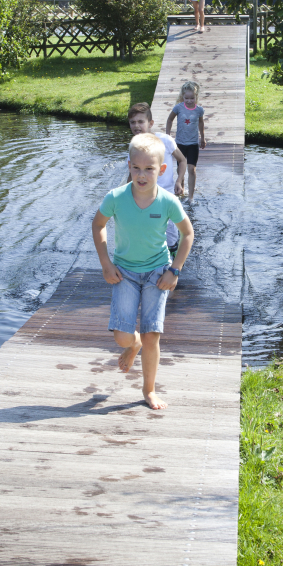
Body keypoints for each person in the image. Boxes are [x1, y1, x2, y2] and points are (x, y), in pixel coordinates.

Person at [91, 133, 194, 410]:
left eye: (149, 169)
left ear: (161, 170)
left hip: (157, 273)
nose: (142, 174)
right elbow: (98, 225)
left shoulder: (168, 201)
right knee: (122, 336)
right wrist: (106, 263)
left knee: (152, 334)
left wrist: (175, 270)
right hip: (124, 272)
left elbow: (187, 234)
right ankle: (132, 345)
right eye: (136, 168)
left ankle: (149, 390)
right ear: (129, 166)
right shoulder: (116, 198)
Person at [126, 102, 187, 255]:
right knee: (147, 233)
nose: (136, 126)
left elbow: (182, 160)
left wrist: (179, 180)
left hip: (166, 195)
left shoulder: (165, 140)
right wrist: (124, 196)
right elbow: (131, 174)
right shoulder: (133, 147)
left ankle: (172, 267)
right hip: (144, 198)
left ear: (150, 123)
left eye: (141, 122)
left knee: (171, 236)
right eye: (132, 122)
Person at [165, 81, 205, 202]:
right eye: (186, 98)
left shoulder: (199, 110)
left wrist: (202, 137)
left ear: (196, 97)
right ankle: (181, 190)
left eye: (192, 98)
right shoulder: (178, 108)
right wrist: (168, 135)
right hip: (180, 143)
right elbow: (169, 119)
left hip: (193, 143)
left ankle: (191, 197)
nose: (189, 101)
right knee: (180, 169)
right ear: (183, 97)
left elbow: (201, 122)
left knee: (192, 169)